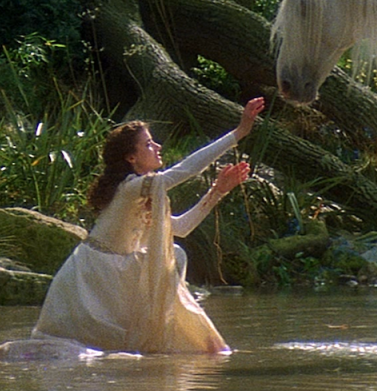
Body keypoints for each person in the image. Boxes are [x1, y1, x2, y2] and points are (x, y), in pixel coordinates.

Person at [31, 97, 266, 354]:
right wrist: (238, 133)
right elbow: (186, 170)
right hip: (92, 275)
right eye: (148, 144)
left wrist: (217, 191)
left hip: (118, 271)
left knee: (176, 254)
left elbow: (181, 227)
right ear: (131, 157)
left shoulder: (146, 190)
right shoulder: (132, 187)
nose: (157, 146)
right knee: (89, 359)